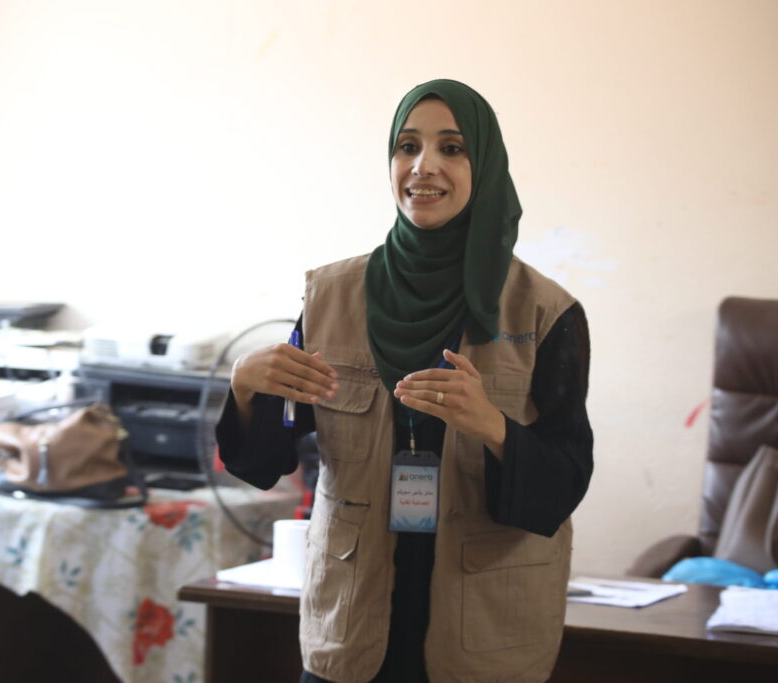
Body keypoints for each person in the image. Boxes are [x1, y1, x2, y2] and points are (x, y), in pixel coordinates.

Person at [215, 79, 593, 683]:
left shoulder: (546, 313)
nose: (424, 167)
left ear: (486, 165)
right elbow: (266, 462)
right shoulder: (331, 296)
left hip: (483, 634)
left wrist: (492, 427)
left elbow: (564, 484)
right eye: (407, 146)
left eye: (452, 148)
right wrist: (243, 391)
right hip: (353, 624)